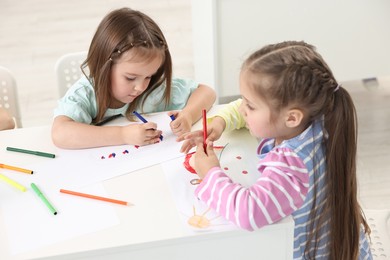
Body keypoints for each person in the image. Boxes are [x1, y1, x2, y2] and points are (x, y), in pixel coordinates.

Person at [178, 41, 372, 259]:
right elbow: (257, 111)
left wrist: (210, 173)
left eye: (250, 106)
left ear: (291, 117)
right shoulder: (319, 118)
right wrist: (221, 122)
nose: (242, 109)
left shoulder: (292, 164)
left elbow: (249, 213)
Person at [51, 7, 216, 149]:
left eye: (149, 76)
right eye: (130, 78)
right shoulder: (86, 94)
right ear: (104, 67)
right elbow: (60, 133)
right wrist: (122, 135)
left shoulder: (153, 90)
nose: (141, 87)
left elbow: (206, 92)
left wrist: (187, 115)